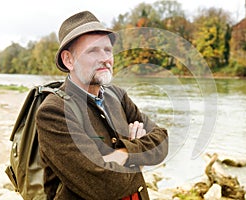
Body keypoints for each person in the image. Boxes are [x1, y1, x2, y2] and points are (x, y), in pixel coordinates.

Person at [35, 10, 168, 200]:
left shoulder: (117, 96)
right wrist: (139, 159)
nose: (105, 58)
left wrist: (123, 154)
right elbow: (104, 186)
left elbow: (162, 141)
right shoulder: (54, 111)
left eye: (107, 50)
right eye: (93, 50)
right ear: (68, 60)